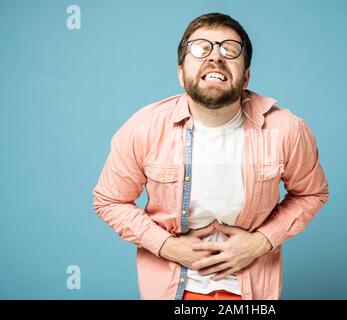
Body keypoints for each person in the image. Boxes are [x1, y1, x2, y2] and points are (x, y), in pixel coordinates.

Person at [93, 12, 329, 300]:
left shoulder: (286, 129)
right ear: (181, 74)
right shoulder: (142, 128)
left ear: (246, 77)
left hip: (252, 290)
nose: (215, 57)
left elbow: (311, 193)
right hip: (172, 289)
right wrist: (168, 246)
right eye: (200, 48)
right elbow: (109, 199)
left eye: (229, 49)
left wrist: (259, 243)